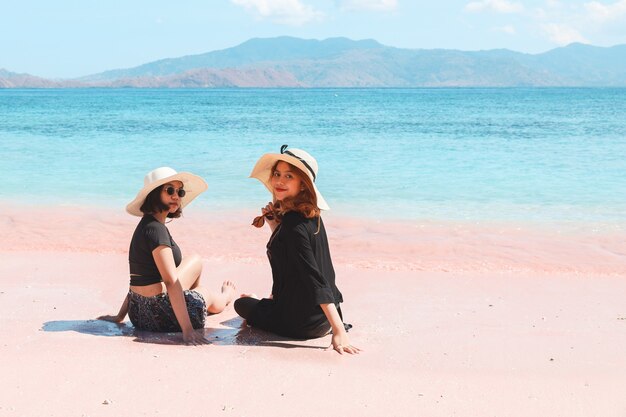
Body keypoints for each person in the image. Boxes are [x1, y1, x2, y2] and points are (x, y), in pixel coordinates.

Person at [235, 145, 360, 355]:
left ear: (303, 184)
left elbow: (315, 278)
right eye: (277, 174)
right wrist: (275, 226)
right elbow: (296, 263)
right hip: (322, 320)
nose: (279, 181)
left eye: (289, 176)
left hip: (301, 324)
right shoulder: (312, 215)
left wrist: (340, 332)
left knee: (241, 304)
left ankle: (262, 303)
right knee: (257, 303)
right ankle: (267, 303)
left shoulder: (293, 224)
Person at [98, 167, 236, 345]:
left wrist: (120, 316)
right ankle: (225, 297)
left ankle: (192, 301)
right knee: (206, 293)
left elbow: (138, 278)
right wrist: (188, 331)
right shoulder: (157, 231)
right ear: (154, 194)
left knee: (194, 260)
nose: (176, 196)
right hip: (161, 317)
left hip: (138, 314)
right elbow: (171, 281)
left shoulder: (146, 226)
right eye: (170, 190)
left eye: (180, 191)